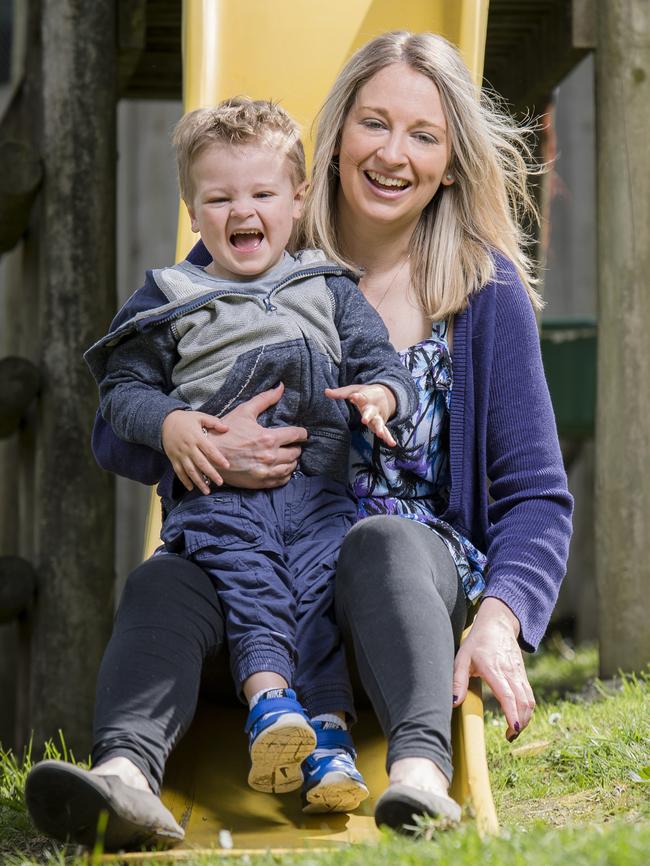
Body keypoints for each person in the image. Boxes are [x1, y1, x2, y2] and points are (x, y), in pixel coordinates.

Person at [25, 31, 573, 850]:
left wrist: (500, 619)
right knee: (164, 583)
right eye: (374, 124)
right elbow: (120, 424)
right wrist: (200, 439)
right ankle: (127, 779)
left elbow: (536, 496)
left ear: (452, 161)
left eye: (423, 135)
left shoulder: (480, 290)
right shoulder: (257, 248)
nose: (394, 154)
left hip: (395, 618)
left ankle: (419, 774)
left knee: (380, 542)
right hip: (257, 605)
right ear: (336, 137)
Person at [84, 97, 421, 812]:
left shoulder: (326, 286)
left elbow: (380, 362)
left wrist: (380, 399)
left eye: (263, 193)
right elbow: (122, 393)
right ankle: (270, 706)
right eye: (219, 197)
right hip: (218, 498)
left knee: (322, 593)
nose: (243, 210)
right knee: (252, 581)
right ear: (192, 208)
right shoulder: (172, 296)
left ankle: (327, 738)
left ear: (297, 200)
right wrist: (174, 425)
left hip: (320, 489)